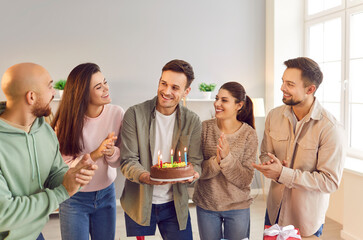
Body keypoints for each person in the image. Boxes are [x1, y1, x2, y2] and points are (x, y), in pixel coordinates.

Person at [0, 63, 97, 240]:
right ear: (31, 97)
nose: (54, 92)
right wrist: (63, 192)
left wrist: (74, 176)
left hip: (35, 233)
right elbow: (3, 215)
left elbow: (54, 172)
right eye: (50, 86)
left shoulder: (44, 130)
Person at [252, 57, 345, 237]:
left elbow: (330, 181)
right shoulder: (273, 116)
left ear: (310, 89)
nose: (282, 88)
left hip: (306, 219)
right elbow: (265, 153)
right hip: (274, 211)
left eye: (290, 84)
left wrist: (283, 174)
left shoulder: (330, 128)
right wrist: (270, 165)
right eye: (283, 82)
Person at [120, 59, 203, 239]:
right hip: (140, 203)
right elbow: (128, 160)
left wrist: (193, 174)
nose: (166, 91)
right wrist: (145, 177)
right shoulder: (134, 114)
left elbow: (196, 162)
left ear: (186, 91)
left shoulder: (192, 121)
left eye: (175, 87)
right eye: (163, 83)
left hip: (175, 205)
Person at [51, 63, 124, 240]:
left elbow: (117, 162)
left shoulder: (117, 113)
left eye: (105, 82)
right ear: (82, 93)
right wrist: (95, 154)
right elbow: (64, 168)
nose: (106, 89)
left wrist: (111, 152)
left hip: (106, 194)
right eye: (98, 87)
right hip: (74, 198)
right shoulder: (65, 122)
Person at [192, 82, 258, 240]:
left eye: (224, 100)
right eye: (216, 98)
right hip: (207, 205)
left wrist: (227, 159)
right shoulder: (204, 128)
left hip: (237, 207)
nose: (217, 104)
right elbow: (198, 170)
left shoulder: (249, 134)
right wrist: (216, 160)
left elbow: (245, 179)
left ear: (239, 105)